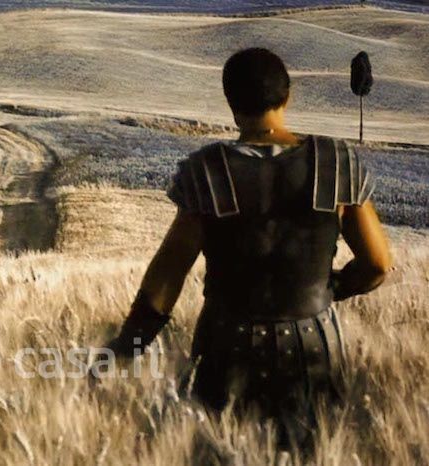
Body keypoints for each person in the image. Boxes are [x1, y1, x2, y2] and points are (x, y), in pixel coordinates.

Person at [105, 48, 392, 454]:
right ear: (288, 96)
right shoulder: (336, 162)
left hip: (226, 347)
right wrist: (329, 289)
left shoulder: (207, 172)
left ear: (232, 105)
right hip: (313, 348)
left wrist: (126, 349)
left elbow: (167, 278)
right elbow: (378, 264)